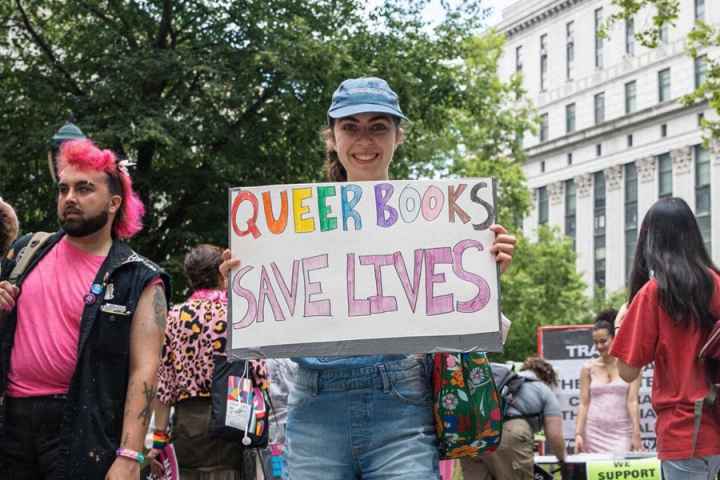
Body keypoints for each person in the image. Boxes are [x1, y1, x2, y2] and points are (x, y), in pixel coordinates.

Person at [220, 76, 517, 479]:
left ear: (399, 136)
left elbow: (468, 328)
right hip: (314, 408)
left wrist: (484, 272)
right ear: (333, 137)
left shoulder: (443, 220)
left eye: (378, 126)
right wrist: (242, 285)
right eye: (350, 126)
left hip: (401, 406)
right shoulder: (288, 223)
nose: (364, 139)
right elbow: (271, 317)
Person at [0, 139, 170, 479]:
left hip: (84, 432)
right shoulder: (24, 253)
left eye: (84, 188)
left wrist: (128, 456)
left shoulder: (138, 277)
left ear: (114, 203)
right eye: (63, 189)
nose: (70, 198)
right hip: (11, 426)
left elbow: (144, 372)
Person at [611, 197, 720, 479]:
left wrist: (621, 325)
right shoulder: (716, 283)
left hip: (682, 432)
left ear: (651, 239)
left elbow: (626, 371)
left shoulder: (654, 292)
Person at [151, 244, 261, 480]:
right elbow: (258, 374)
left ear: (190, 276)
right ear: (222, 272)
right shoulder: (238, 313)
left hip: (188, 422)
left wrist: (158, 438)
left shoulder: (174, 317)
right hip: (234, 415)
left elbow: (164, 385)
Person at [461, 357, 568, 479]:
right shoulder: (543, 390)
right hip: (509, 435)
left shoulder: (500, 382)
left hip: (472, 435)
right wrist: (563, 459)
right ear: (548, 378)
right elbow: (555, 435)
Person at [574, 309, 642, 453]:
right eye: (596, 342)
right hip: (593, 433)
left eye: (603, 341)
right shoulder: (588, 368)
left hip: (622, 432)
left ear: (614, 338)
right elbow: (584, 403)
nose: (599, 346)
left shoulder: (630, 367)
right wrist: (578, 434)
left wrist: (636, 434)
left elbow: (633, 401)